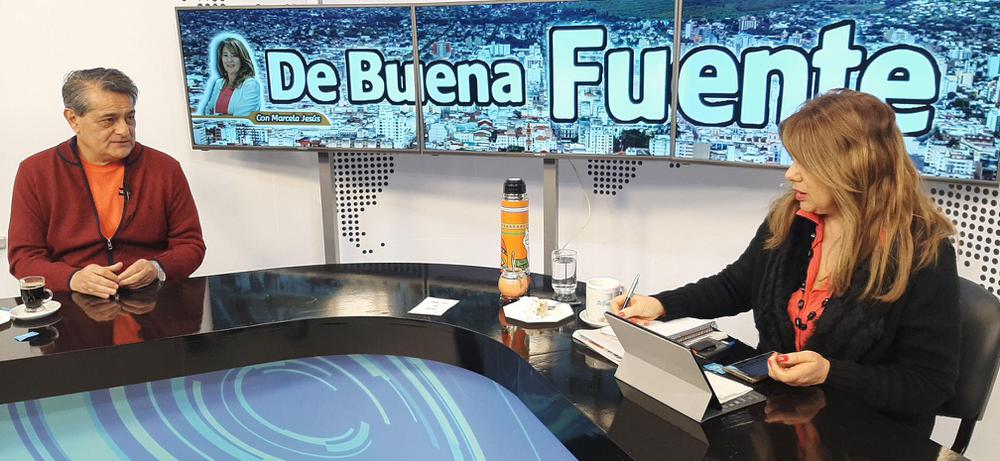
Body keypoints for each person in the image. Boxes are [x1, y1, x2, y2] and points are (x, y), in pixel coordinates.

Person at [612, 89, 959, 434]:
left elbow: (929, 385)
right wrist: (661, 304)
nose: (791, 173)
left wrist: (830, 372)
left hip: (861, 433)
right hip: (778, 416)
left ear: (854, 167)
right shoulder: (791, 219)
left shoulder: (922, 251)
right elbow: (736, 286)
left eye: (806, 163)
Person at [8, 68, 206, 299]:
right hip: (72, 303)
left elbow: (191, 245)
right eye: (109, 120)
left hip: (152, 301)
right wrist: (72, 278)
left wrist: (158, 268)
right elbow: (24, 258)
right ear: (73, 119)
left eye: (130, 117)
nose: (124, 130)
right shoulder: (36, 172)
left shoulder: (165, 168)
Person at [198, 37, 261, 116]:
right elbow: (208, 112)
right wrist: (227, 116)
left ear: (242, 59)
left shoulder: (250, 84)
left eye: (234, 55)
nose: (229, 60)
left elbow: (243, 117)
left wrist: (218, 117)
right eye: (225, 55)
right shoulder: (219, 83)